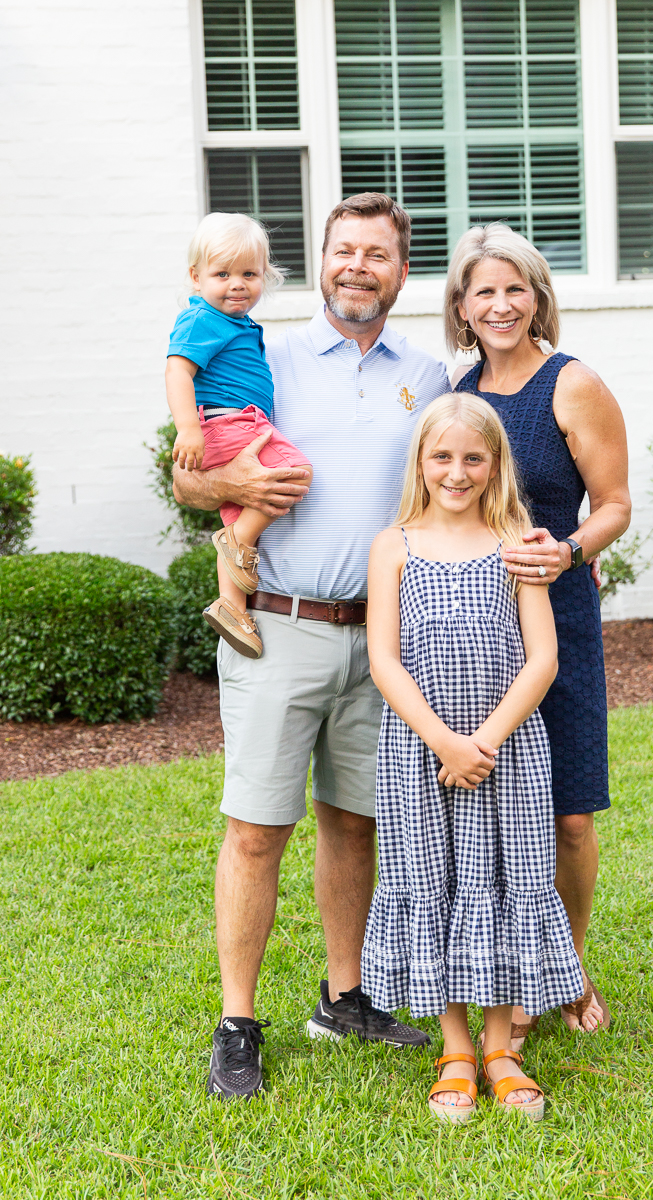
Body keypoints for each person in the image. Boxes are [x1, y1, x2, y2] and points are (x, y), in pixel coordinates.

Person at [172, 193, 450, 1100]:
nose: (358, 267)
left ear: (401, 272)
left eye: (378, 254)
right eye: (344, 251)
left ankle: (345, 996)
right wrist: (228, 474)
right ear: (321, 262)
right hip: (277, 628)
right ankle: (238, 1022)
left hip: (381, 637)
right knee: (257, 830)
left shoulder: (433, 376)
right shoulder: (266, 351)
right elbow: (189, 473)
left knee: (353, 822)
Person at [362, 392, 590, 1124]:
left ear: (494, 466)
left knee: (503, 883)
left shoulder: (518, 540)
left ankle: (501, 1047)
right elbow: (383, 660)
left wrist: (483, 742)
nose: (456, 472)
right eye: (442, 457)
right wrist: (443, 741)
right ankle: (454, 1047)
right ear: (421, 463)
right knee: (438, 883)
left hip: (508, 754)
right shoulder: (393, 545)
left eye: (472, 458)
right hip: (420, 753)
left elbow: (544, 659)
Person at [448, 224, 632, 1037]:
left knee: (569, 812)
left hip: (559, 614)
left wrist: (567, 553)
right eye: (484, 290)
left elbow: (617, 504)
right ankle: (499, 970)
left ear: (538, 299)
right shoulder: (459, 395)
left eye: (515, 288)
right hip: (476, 630)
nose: (500, 304)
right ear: (462, 305)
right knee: (498, 806)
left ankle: (567, 965)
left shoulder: (573, 384)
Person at [166, 212, 313, 660]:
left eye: (249, 274)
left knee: (240, 511)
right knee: (295, 470)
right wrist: (188, 427)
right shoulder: (202, 319)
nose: (237, 284)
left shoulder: (239, 324)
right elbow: (177, 370)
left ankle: (232, 607)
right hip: (230, 424)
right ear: (196, 277)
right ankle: (236, 544)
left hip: (236, 424)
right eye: (222, 274)